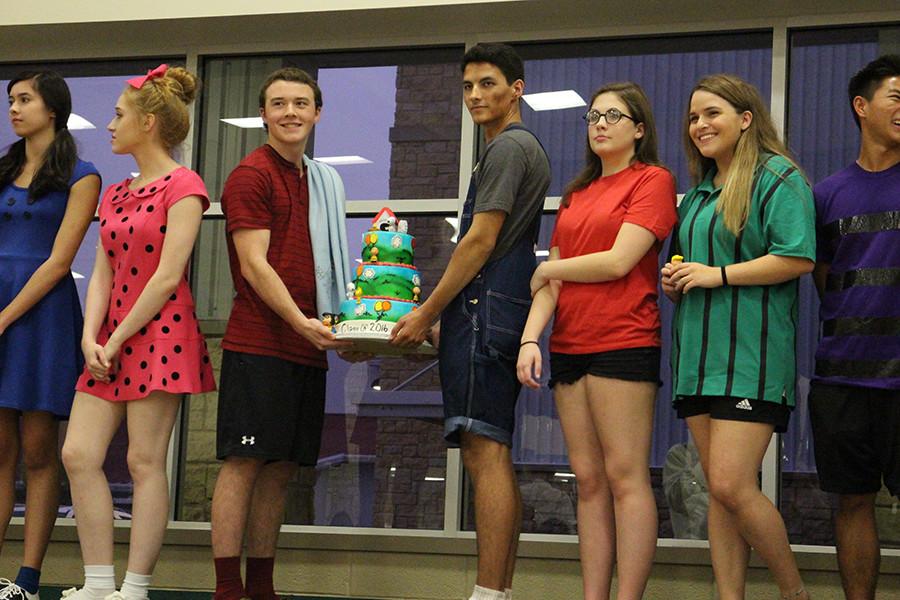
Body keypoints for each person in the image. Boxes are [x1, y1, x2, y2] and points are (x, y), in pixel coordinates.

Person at [391, 43, 550, 600]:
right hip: (483, 311)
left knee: (486, 451)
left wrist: (427, 310)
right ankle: (496, 593)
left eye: (488, 83)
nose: (476, 95)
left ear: (517, 88)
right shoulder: (503, 149)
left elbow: (481, 239)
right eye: (468, 86)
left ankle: (487, 592)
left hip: (488, 310)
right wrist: (441, 322)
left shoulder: (509, 147)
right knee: (490, 450)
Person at [61, 64, 215, 600]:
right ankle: (99, 581)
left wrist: (119, 335)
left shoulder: (186, 185)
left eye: (119, 114)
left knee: (143, 460)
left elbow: (169, 275)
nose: (110, 124)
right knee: (78, 454)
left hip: (160, 332)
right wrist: (90, 335)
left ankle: (135, 587)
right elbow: (101, 268)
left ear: (148, 122)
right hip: (109, 338)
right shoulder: (117, 193)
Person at [517, 82, 676, 600]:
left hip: (624, 340)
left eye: (613, 115)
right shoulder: (576, 195)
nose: (600, 124)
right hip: (569, 345)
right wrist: (529, 340)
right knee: (587, 481)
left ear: (639, 129)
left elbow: (618, 262)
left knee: (626, 477)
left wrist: (548, 268)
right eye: (593, 116)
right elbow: (553, 284)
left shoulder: (651, 180)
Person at [660, 74, 815, 600]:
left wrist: (716, 275)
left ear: (746, 119)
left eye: (712, 114)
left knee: (729, 484)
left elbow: (797, 256)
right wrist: (679, 278)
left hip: (752, 358)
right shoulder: (699, 193)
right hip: (698, 359)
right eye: (693, 117)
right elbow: (694, 265)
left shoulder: (778, 176)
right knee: (719, 493)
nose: (699, 125)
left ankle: (795, 594)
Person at [210, 67, 352, 600]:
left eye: (301, 103)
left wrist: (346, 333)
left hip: (308, 347)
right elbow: (255, 266)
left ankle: (262, 588)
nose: (290, 112)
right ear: (264, 114)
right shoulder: (252, 176)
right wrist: (300, 324)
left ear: (317, 113)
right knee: (244, 463)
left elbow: (329, 273)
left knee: (281, 470)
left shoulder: (319, 180)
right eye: (278, 104)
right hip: (260, 344)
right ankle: (228, 588)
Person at [0, 70, 100, 600]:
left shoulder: (82, 176)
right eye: (11, 100)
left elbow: (60, 262)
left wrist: (4, 316)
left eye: (24, 100)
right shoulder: (1, 169)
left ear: (52, 109)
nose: (14, 109)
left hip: (40, 316)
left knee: (39, 450)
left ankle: (28, 579)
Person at [809, 54, 900, 600]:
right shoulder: (824, 196)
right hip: (842, 379)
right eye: (897, 97)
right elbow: (823, 278)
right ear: (861, 107)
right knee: (852, 502)